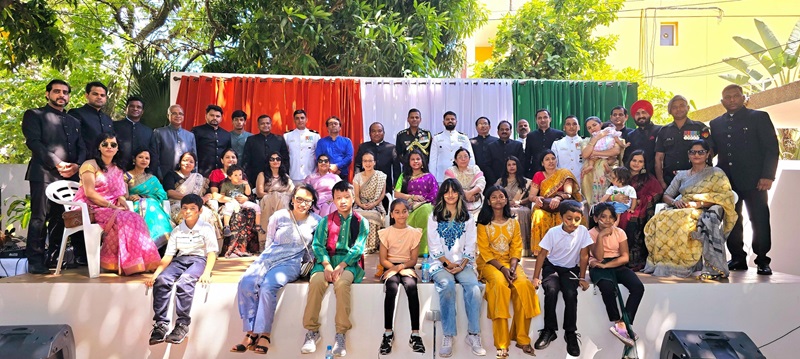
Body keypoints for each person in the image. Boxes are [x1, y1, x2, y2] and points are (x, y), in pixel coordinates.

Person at [233, 185, 321, 355]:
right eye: (299, 199)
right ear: (293, 199)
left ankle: (264, 334)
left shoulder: (316, 221)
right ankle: (251, 332)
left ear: (312, 203)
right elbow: (270, 241)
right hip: (269, 257)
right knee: (246, 282)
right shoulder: (279, 216)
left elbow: (313, 249)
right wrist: (264, 261)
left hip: (291, 262)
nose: (302, 203)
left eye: (307, 201)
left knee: (268, 287)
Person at [710, 84, 780, 276]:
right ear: (722, 101)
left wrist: (767, 176)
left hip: (755, 180)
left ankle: (762, 259)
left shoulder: (759, 117)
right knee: (732, 220)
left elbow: (771, 148)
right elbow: (712, 150)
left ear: (743, 98)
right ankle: (738, 257)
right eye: (727, 97)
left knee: (759, 219)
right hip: (727, 182)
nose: (732, 100)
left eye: (735, 96)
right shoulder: (715, 123)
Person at [643, 140, 737, 279]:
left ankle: (686, 263)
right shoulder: (682, 175)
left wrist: (699, 204)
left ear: (707, 154)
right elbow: (667, 195)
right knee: (660, 220)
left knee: (683, 222)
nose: (696, 155)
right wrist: (675, 202)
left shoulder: (716, 173)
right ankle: (667, 264)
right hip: (680, 208)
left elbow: (725, 196)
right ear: (688, 155)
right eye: (693, 152)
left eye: (701, 152)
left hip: (702, 209)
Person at [22, 79, 87, 274]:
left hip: (69, 177)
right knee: (39, 217)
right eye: (57, 91)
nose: (61, 95)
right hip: (43, 173)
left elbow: (81, 147)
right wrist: (57, 163)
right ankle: (35, 261)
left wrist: (77, 165)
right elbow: (33, 143)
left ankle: (54, 257)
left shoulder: (74, 121)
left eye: (65, 92)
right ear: (47, 94)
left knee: (61, 218)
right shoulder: (34, 115)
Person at [73, 133, 161, 275]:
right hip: (89, 206)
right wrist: (111, 206)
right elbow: (89, 193)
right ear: (99, 147)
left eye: (113, 145)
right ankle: (124, 263)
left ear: (117, 148)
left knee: (135, 218)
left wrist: (120, 199)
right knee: (123, 218)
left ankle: (140, 261)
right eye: (105, 144)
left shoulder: (117, 168)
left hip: (111, 207)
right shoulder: (89, 165)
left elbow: (120, 192)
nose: (109, 147)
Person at [301, 181, 368, 357]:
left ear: (354, 198)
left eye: (347, 197)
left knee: (342, 284)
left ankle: (341, 334)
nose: (343, 201)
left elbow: (358, 248)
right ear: (333, 200)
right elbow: (318, 245)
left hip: (349, 263)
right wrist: (327, 265)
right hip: (326, 261)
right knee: (316, 282)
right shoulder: (325, 220)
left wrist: (341, 266)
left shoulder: (361, 222)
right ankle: (311, 331)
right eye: (338, 198)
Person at [476, 186, 539, 358]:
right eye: (494, 197)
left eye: (501, 196)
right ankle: (502, 344)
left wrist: (512, 267)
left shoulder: (514, 222)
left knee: (525, 286)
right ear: (488, 201)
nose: (498, 199)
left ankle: (522, 339)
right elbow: (485, 252)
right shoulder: (483, 224)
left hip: (510, 263)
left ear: (506, 200)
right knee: (499, 286)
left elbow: (516, 246)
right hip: (490, 264)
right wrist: (503, 269)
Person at [146, 194, 217, 346]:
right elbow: (168, 255)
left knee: (185, 281)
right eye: (184, 208)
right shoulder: (177, 230)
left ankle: (182, 325)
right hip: (180, 260)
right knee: (163, 280)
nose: (188, 211)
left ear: (200, 210)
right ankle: (161, 324)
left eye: (192, 208)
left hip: (198, 259)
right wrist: (156, 274)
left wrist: (207, 272)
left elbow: (211, 252)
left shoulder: (206, 228)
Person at [426, 178, 486, 357]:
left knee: (474, 289)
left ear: (459, 194)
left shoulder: (467, 217)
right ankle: (448, 335)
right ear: (442, 194)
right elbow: (434, 246)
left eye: (454, 191)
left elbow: (470, 244)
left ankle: (474, 334)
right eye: (446, 191)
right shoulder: (434, 216)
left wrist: (461, 265)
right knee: (447, 287)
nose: (450, 195)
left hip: (464, 263)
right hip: (440, 263)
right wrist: (447, 264)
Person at [531, 200, 592, 357]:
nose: (573, 223)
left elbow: (584, 256)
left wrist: (582, 277)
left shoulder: (583, 231)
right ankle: (549, 330)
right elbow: (542, 254)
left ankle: (570, 333)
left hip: (571, 269)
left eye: (577, 219)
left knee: (571, 294)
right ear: (561, 217)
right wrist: (535, 277)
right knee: (551, 290)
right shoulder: (553, 232)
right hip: (552, 267)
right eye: (569, 218)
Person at [587, 202, 645, 347]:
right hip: (598, 265)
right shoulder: (591, 234)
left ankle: (624, 324)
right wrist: (600, 236)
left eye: (610, 217)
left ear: (614, 219)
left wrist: (607, 265)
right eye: (603, 217)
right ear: (596, 218)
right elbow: (598, 257)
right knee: (607, 287)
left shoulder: (620, 232)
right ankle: (616, 321)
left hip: (616, 263)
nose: (607, 221)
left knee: (638, 287)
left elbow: (625, 257)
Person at [377, 198, 425, 355]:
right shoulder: (386, 233)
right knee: (391, 288)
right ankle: (388, 333)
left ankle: (415, 334)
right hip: (390, 266)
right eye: (397, 212)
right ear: (391, 214)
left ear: (408, 212)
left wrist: (403, 268)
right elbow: (383, 259)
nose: (401, 215)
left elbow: (413, 259)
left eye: (404, 211)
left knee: (411, 287)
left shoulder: (414, 233)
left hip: (407, 266)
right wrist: (396, 268)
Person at [529, 150, 582, 256]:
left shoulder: (564, 174)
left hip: (561, 205)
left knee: (563, 216)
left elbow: (568, 193)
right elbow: (531, 196)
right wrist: (537, 199)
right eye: (547, 159)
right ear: (542, 163)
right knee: (538, 215)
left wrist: (557, 198)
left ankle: (563, 250)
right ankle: (540, 250)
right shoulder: (538, 175)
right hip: (544, 206)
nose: (551, 161)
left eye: (553, 158)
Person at [655, 95, 714, 189]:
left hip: (697, 178)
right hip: (670, 179)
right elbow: (658, 158)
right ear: (670, 111)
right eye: (674, 107)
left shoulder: (699, 127)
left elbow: (710, 151)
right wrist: (661, 182)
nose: (678, 109)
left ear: (688, 108)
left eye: (682, 105)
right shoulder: (664, 131)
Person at [161, 152, 221, 244]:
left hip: (196, 203)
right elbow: (170, 192)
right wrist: (190, 198)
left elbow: (209, 194)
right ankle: (188, 245)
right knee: (188, 213)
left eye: (191, 162)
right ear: (180, 162)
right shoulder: (171, 175)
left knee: (206, 213)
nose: (188, 163)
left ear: (194, 165)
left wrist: (203, 199)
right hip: (177, 202)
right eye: (185, 160)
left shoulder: (198, 178)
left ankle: (206, 246)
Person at [619, 150, 663, 271]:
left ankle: (633, 260)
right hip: (619, 206)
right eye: (634, 160)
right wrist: (616, 197)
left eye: (640, 161)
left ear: (644, 164)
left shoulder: (648, 178)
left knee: (630, 219)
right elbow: (611, 189)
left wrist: (641, 201)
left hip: (639, 209)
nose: (636, 164)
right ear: (629, 161)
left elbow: (657, 193)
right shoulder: (621, 174)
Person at [125, 148, 174, 248]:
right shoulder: (126, 176)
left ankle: (162, 239)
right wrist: (132, 198)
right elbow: (124, 195)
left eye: (147, 158)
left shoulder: (152, 179)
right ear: (134, 159)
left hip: (152, 204)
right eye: (140, 157)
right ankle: (153, 242)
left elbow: (162, 195)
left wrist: (143, 196)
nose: (144, 160)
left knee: (150, 203)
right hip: (133, 206)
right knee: (149, 203)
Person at [393, 149, 438, 255]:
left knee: (426, 210)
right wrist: (412, 197)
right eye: (412, 159)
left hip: (426, 204)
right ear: (409, 162)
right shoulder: (404, 176)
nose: (415, 161)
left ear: (422, 161)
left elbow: (435, 193)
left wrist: (422, 201)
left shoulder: (429, 177)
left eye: (418, 159)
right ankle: (407, 249)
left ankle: (423, 250)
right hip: (408, 204)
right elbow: (396, 194)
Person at [255, 151, 295, 251]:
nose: (275, 161)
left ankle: (283, 240)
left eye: (278, 159)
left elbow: (292, 191)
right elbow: (260, 193)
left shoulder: (285, 176)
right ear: (268, 162)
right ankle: (265, 243)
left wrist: (280, 196)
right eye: (272, 159)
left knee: (283, 199)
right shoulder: (262, 174)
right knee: (274, 197)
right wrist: (274, 195)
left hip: (284, 200)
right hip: (267, 199)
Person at [495, 156, 532, 256]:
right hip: (503, 205)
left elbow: (531, 198)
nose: (511, 167)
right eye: (509, 165)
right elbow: (494, 196)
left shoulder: (526, 182)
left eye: (514, 164)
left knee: (520, 212)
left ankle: (522, 249)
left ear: (518, 166)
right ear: (505, 167)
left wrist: (519, 202)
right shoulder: (500, 181)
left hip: (521, 206)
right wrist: (506, 202)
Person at [581, 117, 622, 205]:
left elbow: (616, 151)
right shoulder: (586, 141)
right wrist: (595, 139)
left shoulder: (609, 137)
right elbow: (585, 154)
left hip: (608, 172)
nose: (592, 128)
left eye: (594, 125)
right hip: (590, 176)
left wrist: (595, 153)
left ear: (601, 124)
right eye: (589, 128)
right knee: (590, 205)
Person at [218, 165, 264, 244]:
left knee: (256, 207)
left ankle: (258, 225)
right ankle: (226, 226)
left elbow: (248, 193)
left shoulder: (243, 184)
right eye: (235, 175)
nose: (239, 177)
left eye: (240, 175)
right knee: (228, 208)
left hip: (242, 202)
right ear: (229, 177)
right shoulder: (226, 184)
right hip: (231, 202)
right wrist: (229, 199)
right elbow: (222, 195)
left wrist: (246, 184)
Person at [150, 104, 197, 181]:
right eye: (174, 113)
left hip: (185, 178)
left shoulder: (190, 135)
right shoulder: (159, 132)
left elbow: (194, 158)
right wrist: (159, 175)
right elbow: (155, 156)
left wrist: (194, 176)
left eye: (180, 114)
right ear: (168, 115)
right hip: (163, 176)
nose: (178, 116)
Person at [68, 81, 114, 158]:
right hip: (84, 162)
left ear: (105, 98)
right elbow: (72, 141)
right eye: (95, 94)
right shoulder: (76, 113)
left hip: (106, 163)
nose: (99, 97)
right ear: (87, 95)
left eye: (102, 95)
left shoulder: (107, 119)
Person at [353, 151, 387, 254]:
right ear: (362, 163)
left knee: (373, 215)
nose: (367, 163)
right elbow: (356, 196)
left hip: (376, 204)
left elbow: (382, 195)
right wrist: (361, 205)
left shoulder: (380, 176)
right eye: (365, 161)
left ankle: (371, 246)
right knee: (356, 215)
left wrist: (373, 204)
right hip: (360, 203)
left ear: (374, 162)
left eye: (370, 161)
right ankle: (357, 244)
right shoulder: (357, 177)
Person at [242, 114, 290, 188]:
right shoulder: (251, 140)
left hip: (276, 178)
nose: (265, 125)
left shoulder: (279, 139)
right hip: (255, 176)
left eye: (267, 123)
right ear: (258, 126)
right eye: (262, 123)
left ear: (271, 125)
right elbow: (246, 160)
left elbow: (285, 159)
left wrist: (283, 175)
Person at [429, 111, 475, 183]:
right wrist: (432, 178)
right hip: (441, 176)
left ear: (456, 121)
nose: (450, 121)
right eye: (447, 119)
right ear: (443, 122)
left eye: (452, 119)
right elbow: (433, 160)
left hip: (460, 175)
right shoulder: (437, 138)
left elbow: (470, 157)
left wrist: (471, 174)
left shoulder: (464, 138)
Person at [355, 122, 401, 193]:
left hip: (386, 186)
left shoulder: (391, 148)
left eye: (379, 131)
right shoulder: (363, 147)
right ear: (370, 133)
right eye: (373, 131)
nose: (377, 133)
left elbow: (396, 169)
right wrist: (357, 181)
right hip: (366, 184)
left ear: (383, 133)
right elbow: (358, 165)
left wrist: (396, 184)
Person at [444, 147, 486, 217]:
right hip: (457, 201)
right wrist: (464, 194)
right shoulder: (450, 171)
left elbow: (481, 183)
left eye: (466, 156)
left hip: (475, 200)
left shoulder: (475, 168)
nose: (463, 159)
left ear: (469, 159)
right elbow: (450, 186)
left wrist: (470, 193)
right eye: (460, 157)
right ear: (455, 160)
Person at [624, 100, 662, 174]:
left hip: (657, 175)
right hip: (636, 176)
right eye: (637, 114)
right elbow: (627, 158)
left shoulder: (660, 130)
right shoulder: (631, 136)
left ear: (650, 114)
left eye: (644, 112)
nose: (641, 116)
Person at [192, 104, 232, 177]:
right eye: (212, 115)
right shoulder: (197, 131)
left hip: (221, 173)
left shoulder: (226, 134)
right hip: (202, 172)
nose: (215, 118)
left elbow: (228, 153)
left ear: (221, 118)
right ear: (206, 116)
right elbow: (192, 152)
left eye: (217, 116)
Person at [113, 96, 152, 168]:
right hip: (117, 169)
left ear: (142, 111)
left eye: (139, 107)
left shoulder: (148, 131)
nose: (135, 109)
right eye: (132, 106)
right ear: (126, 109)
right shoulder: (115, 126)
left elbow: (152, 153)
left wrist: (150, 171)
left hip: (140, 172)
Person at [284, 109, 320, 184]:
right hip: (293, 174)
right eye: (297, 118)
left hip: (310, 174)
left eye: (302, 118)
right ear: (294, 120)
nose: (300, 120)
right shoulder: (287, 136)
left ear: (306, 120)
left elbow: (318, 155)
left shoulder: (314, 136)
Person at [524, 109, 564, 177]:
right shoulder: (531, 136)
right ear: (536, 121)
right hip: (535, 173)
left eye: (545, 117)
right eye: (539, 118)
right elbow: (527, 157)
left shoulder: (558, 134)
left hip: (554, 172)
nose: (542, 120)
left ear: (550, 119)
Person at [488, 120, 525, 187]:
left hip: (515, 182)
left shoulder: (517, 145)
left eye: (507, 129)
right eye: (502, 129)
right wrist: (494, 181)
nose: (504, 131)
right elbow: (487, 165)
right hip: (495, 181)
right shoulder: (491, 146)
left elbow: (521, 163)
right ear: (498, 132)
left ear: (510, 132)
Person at [316, 116, 354, 180]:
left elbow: (349, 157)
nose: (333, 125)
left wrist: (337, 166)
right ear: (327, 128)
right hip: (325, 175)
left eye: (335, 123)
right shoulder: (321, 142)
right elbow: (318, 157)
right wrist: (329, 168)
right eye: (330, 124)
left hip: (342, 174)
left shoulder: (347, 141)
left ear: (340, 128)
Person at [551, 115, 583, 182]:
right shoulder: (557, 144)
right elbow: (553, 164)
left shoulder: (585, 143)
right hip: (563, 181)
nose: (571, 127)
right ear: (564, 128)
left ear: (579, 127)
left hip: (582, 181)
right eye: (568, 124)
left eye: (574, 124)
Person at [470, 116, 498, 185]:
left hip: (494, 175)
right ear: (476, 127)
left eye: (485, 124)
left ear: (490, 126)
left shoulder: (496, 141)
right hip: (476, 175)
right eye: (480, 124)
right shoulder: (471, 142)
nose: (483, 126)